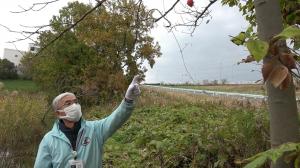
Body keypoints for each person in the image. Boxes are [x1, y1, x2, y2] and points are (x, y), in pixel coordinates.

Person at [34, 75, 141, 168]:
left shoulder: (95, 129)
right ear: (58, 113)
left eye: (75, 102)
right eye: (68, 103)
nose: (74, 106)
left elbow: (116, 119)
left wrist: (128, 100)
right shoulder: (49, 140)